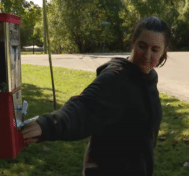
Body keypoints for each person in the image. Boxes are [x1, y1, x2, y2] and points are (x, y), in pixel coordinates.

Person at [21, 16, 171, 176]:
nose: (147, 55)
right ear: (133, 42)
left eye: (155, 49)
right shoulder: (116, 78)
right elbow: (83, 107)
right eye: (142, 46)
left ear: (163, 51)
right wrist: (47, 125)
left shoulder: (149, 78)